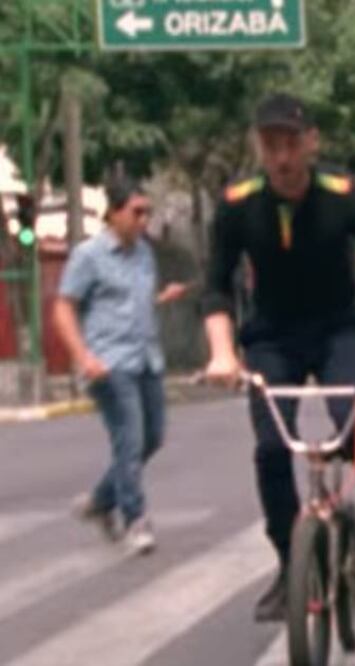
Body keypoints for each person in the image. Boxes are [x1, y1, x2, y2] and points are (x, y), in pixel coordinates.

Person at [200, 93, 355, 623]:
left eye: (291, 144)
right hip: (270, 338)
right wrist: (222, 353)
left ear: (312, 143)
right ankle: (290, 565)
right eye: (270, 147)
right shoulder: (238, 204)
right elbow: (215, 287)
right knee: (269, 448)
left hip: (337, 330)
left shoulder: (346, 196)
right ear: (258, 149)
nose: (282, 159)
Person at [54, 176, 190, 555]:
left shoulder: (144, 254)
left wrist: (163, 298)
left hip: (147, 359)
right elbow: (64, 308)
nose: (144, 220)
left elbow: (132, 303)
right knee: (129, 440)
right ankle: (135, 519)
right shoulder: (88, 256)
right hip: (108, 364)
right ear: (113, 213)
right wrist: (83, 357)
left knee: (153, 437)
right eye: (136, 212)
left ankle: (100, 502)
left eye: (147, 212)